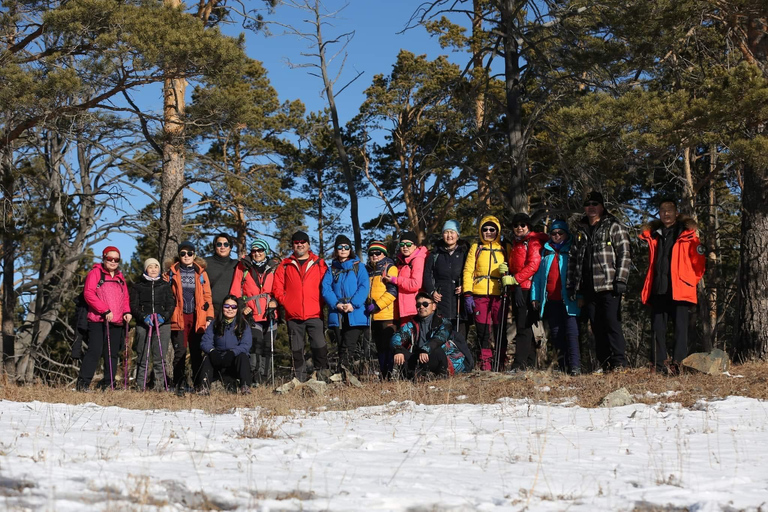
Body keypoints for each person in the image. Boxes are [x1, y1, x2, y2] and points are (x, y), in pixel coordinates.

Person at [639, 198, 706, 375]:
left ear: (676, 213)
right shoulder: (654, 234)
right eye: (663, 210)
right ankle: (658, 365)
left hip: (680, 289)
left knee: (680, 329)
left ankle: (678, 364)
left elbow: (699, 263)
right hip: (659, 288)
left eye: (669, 210)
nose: (666, 214)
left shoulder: (687, 234)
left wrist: (689, 281)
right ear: (659, 214)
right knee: (657, 329)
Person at [567, 191, 632, 372]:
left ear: (602, 207)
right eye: (588, 204)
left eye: (595, 204)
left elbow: (625, 254)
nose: (591, 208)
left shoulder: (613, 226)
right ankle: (605, 364)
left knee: (612, 323)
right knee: (596, 327)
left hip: (609, 285)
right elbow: (573, 259)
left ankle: (619, 363)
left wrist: (621, 279)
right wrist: (573, 285)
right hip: (588, 287)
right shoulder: (580, 231)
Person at [272, 230, 329, 382]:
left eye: (303, 242)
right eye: (296, 243)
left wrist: (322, 301)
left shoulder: (319, 263)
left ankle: (321, 377)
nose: (300, 245)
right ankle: (300, 379)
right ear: (292, 246)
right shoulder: (285, 265)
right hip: (294, 315)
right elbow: (277, 288)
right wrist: (287, 302)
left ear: (308, 244)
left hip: (315, 312)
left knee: (319, 346)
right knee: (297, 350)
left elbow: (327, 285)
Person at [76, 246, 132, 391]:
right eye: (110, 259)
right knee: (94, 351)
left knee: (112, 354)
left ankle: (109, 384)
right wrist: (104, 309)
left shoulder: (120, 277)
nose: (113, 262)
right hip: (98, 320)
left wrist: (127, 311)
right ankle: (83, 384)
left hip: (117, 321)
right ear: (104, 258)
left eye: (116, 259)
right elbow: (89, 294)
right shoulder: (95, 273)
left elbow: (125, 297)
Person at [531, 220, 582, 375]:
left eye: (560, 233)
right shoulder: (546, 252)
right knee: (556, 334)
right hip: (551, 301)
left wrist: (580, 295)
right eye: (554, 233)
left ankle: (575, 367)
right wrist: (535, 297)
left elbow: (579, 275)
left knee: (572, 334)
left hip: (570, 300)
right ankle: (562, 366)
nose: (557, 236)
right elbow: (538, 278)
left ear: (566, 234)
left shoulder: (573, 250)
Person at [462, 215, 512, 371]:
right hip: (479, 294)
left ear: (498, 231)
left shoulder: (505, 247)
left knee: (500, 329)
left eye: (492, 229)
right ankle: (485, 364)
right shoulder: (476, 247)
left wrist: (509, 277)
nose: (489, 232)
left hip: (500, 293)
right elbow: (468, 270)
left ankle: (500, 363)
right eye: (485, 229)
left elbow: (513, 267)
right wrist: (468, 293)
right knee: (483, 330)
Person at [500, 213, 548, 371]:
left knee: (523, 326)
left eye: (523, 225)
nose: (519, 228)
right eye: (516, 225)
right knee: (524, 325)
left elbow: (534, 265)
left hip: (528, 288)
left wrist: (516, 279)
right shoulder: (516, 243)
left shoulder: (532, 242)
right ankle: (529, 363)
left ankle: (519, 364)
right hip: (518, 288)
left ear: (529, 226)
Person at [166, 241, 213, 396]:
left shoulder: (201, 273)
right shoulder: (171, 272)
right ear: (179, 255)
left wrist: (209, 316)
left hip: (197, 316)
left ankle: (199, 384)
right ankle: (179, 384)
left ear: (194, 255)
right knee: (180, 351)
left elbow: (207, 296)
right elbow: (164, 292)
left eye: (190, 253)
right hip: (178, 316)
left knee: (196, 351)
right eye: (183, 253)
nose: (186, 256)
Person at [230, 238, 278, 385]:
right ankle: (254, 378)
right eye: (254, 251)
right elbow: (235, 290)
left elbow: (280, 288)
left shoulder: (275, 267)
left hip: (270, 313)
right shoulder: (243, 267)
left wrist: (275, 302)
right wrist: (243, 307)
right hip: (251, 314)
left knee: (268, 347)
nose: (257, 253)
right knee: (255, 345)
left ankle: (266, 378)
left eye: (260, 250)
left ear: (266, 252)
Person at [391, 292, 473, 379]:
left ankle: (439, 375)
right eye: (418, 305)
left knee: (437, 350)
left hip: (442, 359)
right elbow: (397, 336)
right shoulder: (412, 324)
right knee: (400, 351)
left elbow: (439, 338)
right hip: (421, 358)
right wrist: (398, 350)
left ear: (434, 306)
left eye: (425, 304)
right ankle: (414, 375)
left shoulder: (444, 323)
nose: (421, 307)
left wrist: (425, 350)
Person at [322, 235, 370, 375]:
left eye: (346, 247)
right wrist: (336, 304)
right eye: (340, 247)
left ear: (350, 249)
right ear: (336, 250)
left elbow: (364, 286)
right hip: (337, 313)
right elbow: (326, 288)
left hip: (355, 312)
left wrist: (353, 304)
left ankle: (345, 374)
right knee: (341, 345)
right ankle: (344, 374)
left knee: (348, 345)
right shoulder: (331, 269)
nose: (343, 249)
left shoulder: (359, 267)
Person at [130, 258, 176, 390]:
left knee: (159, 356)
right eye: (150, 267)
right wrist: (143, 316)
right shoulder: (138, 286)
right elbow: (133, 305)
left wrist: (164, 316)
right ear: (146, 269)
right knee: (143, 355)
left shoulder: (165, 285)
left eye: (156, 267)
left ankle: (159, 385)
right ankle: (140, 385)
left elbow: (171, 304)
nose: (154, 269)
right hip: (144, 323)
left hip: (162, 324)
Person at [423, 220, 471, 340]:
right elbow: (427, 275)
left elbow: (472, 271)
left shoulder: (465, 252)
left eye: (452, 232)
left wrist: (465, 286)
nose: (449, 235)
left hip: (459, 302)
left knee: (459, 338)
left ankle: (460, 359)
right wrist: (432, 292)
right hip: (441, 301)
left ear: (458, 235)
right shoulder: (435, 253)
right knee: (441, 337)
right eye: (446, 232)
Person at [198, 295, 253, 394]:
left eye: (233, 307)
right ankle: (204, 387)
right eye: (227, 306)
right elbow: (205, 341)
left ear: (237, 309)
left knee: (243, 356)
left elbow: (246, 344)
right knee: (207, 357)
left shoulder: (243, 324)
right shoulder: (214, 324)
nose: (230, 309)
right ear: (222, 307)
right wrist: (212, 351)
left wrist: (233, 352)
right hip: (217, 358)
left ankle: (245, 386)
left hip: (234, 359)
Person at [364, 240, 399, 380]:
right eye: (371, 253)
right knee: (379, 347)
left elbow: (393, 292)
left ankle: (390, 374)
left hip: (387, 314)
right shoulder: (368, 270)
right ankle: (384, 375)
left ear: (383, 253)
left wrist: (377, 305)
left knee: (388, 346)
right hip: (373, 316)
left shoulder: (390, 267)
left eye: (378, 253)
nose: (374, 255)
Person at [382, 231, 428, 324]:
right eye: (402, 244)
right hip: (404, 310)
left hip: (414, 309)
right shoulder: (401, 261)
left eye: (408, 244)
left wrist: (395, 280)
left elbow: (415, 284)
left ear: (415, 245)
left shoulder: (418, 259)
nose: (405, 247)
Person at [205, 233, 238, 317]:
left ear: (230, 247)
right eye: (219, 244)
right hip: (210, 311)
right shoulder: (205, 263)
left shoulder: (237, 265)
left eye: (226, 244)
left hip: (230, 310)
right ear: (215, 246)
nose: (222, 247)